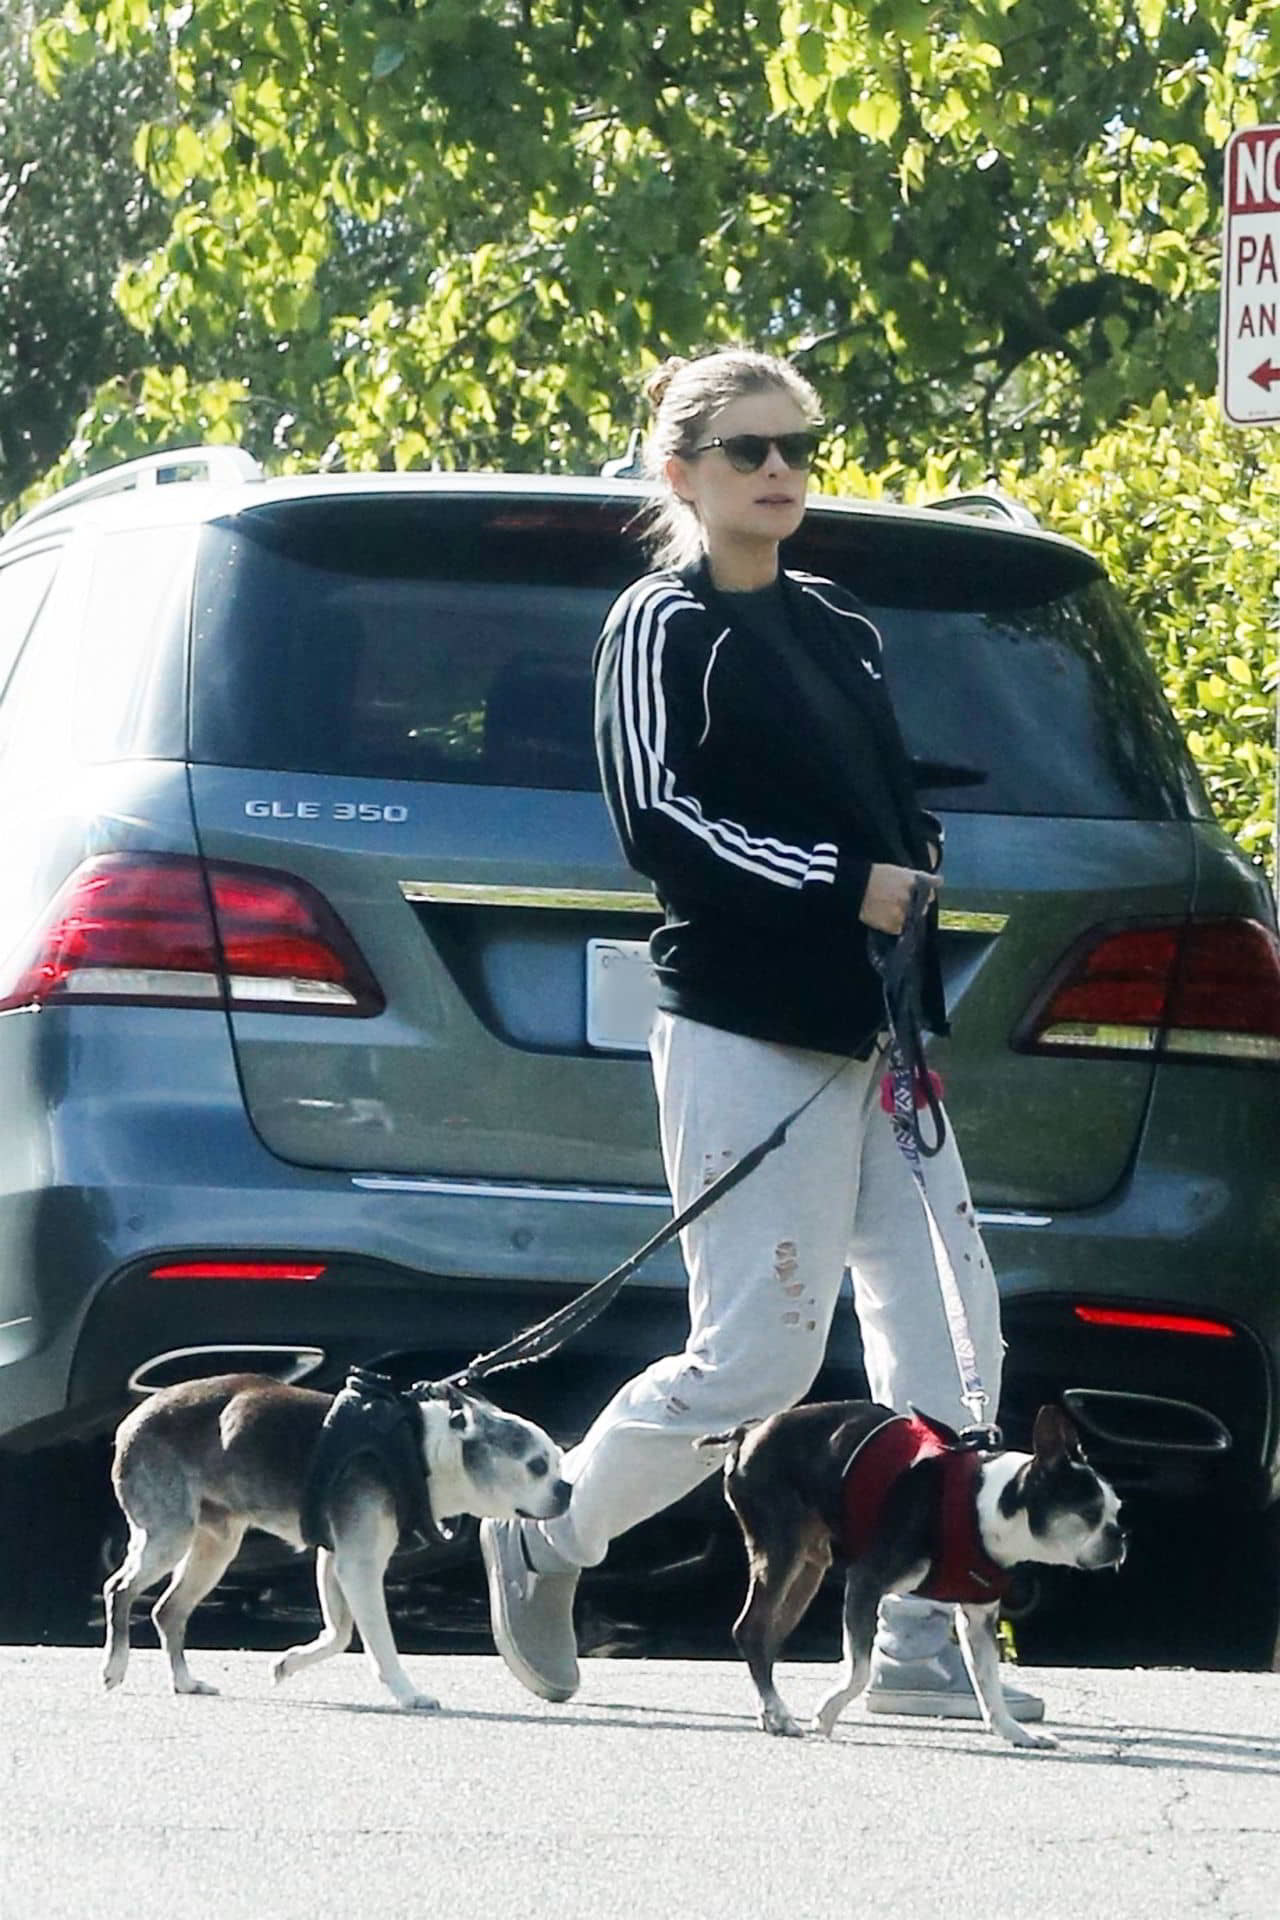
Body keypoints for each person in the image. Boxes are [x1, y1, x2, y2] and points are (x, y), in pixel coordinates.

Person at [480, 346, 1041, 1723]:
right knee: (758, 1362)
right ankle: (547, 1536)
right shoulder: (659, 625)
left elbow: (893, 807)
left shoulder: (841, 622)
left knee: (955, 1343)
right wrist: (842, 885)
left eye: (797, 447)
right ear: (680, 473)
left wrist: (909, 922)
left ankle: (915, 1640)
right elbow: (657, 823)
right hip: (744, 1029)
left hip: (880, 1041)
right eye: (749, 451)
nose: (782, 472)